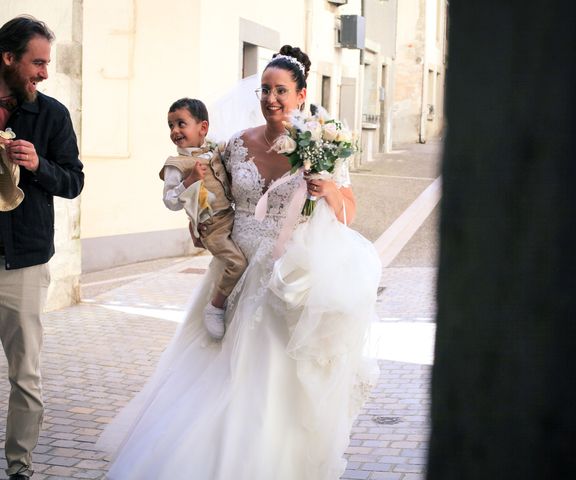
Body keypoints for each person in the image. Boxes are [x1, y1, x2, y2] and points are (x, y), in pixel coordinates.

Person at [98, 45, 380, 480]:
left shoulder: (323, 145)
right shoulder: (236, 144)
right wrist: (197, 219)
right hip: (235, 266)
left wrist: (327, 190)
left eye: (281, 91)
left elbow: (349, 211)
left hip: (288, 270)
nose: (271, 98)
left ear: (301, 96)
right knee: (216, 369)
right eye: (265, 90)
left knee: (274, 376)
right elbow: (215, 193)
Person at [0, 15, 84, 480]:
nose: (44, 73)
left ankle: (19, 469)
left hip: (24, 264)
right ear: (8, 59)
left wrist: (38, 166)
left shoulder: (52, 115)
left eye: (47, 63)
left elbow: (74, 181)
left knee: (25, 379)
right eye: (37, 62)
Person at [160, 97, 247, 339]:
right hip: (212, 226)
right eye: (170, 125)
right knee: (236, 263)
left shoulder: (213, 150)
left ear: (203, 128)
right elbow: (169, 201)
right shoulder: (176, 165)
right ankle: (215, 306)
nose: (175, 131)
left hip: (232, 215)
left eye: (181, 123)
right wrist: (189, 182)